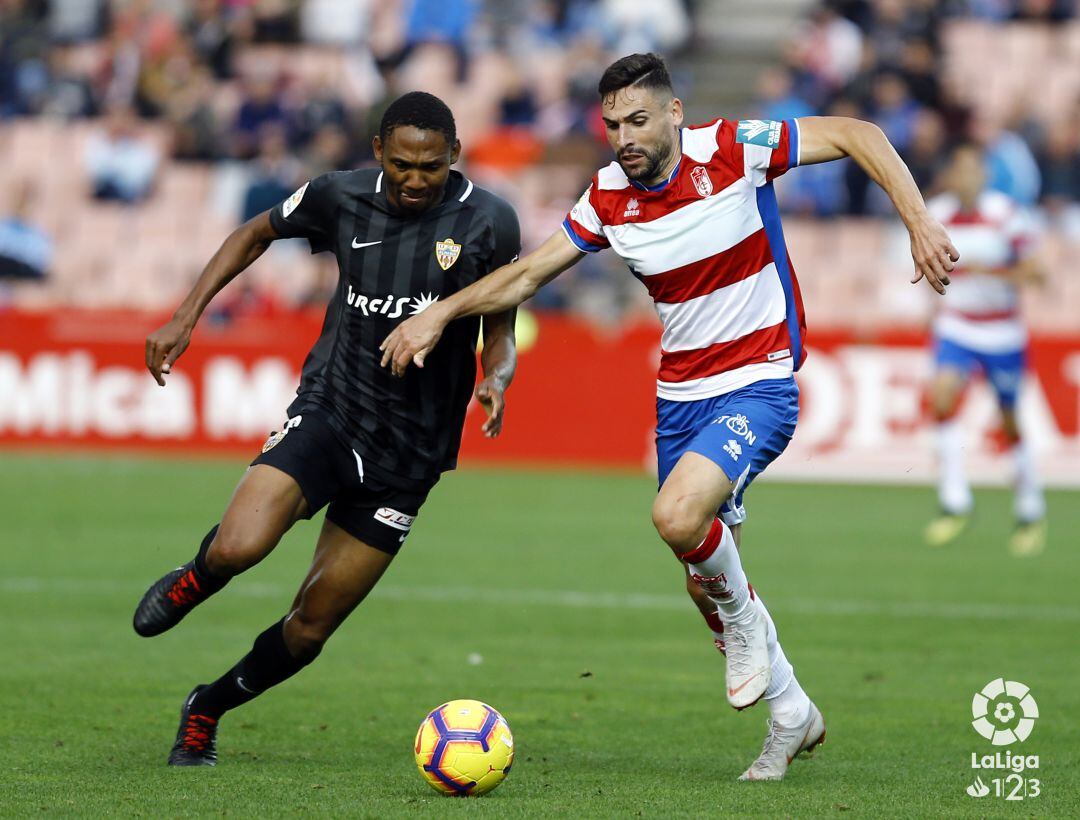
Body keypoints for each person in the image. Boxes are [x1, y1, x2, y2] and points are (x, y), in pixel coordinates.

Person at [381, 53, 957, 781]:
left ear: (675, 113)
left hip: (758, 382)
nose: (624, 135)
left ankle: (748, 631)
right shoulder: (607, 197)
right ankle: (791, 714)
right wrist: (445, 314)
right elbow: (528, 273)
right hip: (679, 397)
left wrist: (919, 221)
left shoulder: (732, 149)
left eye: (639, 119)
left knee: (678, 517)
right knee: (701, 574)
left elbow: (857, 132)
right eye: (614, 122)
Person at [135, 91, 521, 766]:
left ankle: (207, 708)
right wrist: (185, 315)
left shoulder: (491, 220)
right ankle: (198, 574)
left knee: (311, 628)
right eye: (401, 163)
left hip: (411, 454)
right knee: (239, 548)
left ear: (454, 156)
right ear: (378, 151)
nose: (414, 179)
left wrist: (496, 374)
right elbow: (255, 233)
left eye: (430, 166)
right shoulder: (339, 196)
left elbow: (501, 326)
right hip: (331, 412)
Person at [923, 143, 1046, 556]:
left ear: (984, 175)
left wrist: (988, 271)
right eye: (959, 171)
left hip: (1002, 331)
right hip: (957, 325)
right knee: (942, 397)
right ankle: (955, 500)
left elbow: (1036, 272)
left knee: (1010, 419)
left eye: (973, 170)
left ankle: (1030, 505)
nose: (966, 178)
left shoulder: (1006, 214)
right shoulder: (936, 213)